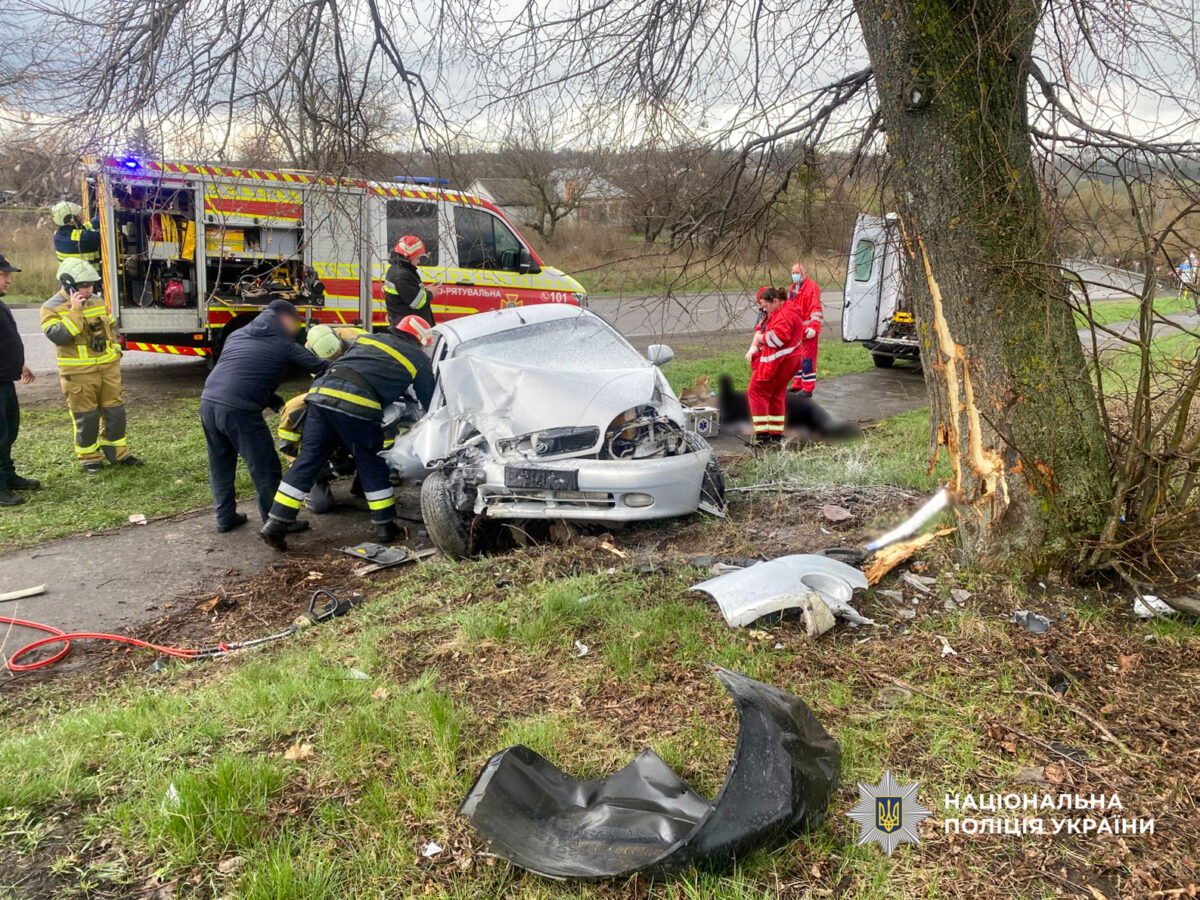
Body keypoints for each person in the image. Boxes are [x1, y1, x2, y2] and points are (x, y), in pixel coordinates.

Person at [261, 315, 437, 551]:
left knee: (307, 460)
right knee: (370, 462)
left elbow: (359, 366)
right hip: (357, 405)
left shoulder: (370, 338)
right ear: (421, 340)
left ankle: (275, 523)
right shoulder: (418, 358)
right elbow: (430, 398)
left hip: (321, 396)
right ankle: (385, 525)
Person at [199, 300, 329, 532]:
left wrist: (271, 399)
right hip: (240, 411)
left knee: (220, 464)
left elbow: (242, 371)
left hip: (208, 402)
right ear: (284, 317)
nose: (297, 328)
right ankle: (276, 522)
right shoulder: (283, 343)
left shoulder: (237, 335)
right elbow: (321, 367)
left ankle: (225, 517)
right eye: (296, 322)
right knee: (266, 468)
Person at [41, 259, 141, 473]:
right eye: (83, 286)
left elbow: (111, 328)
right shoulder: (51, 308)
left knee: (115, 412)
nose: (88, 290)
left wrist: (115, 352)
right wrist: (75, 310)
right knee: (86, 416)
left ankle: (118, 453)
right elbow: (59, 336)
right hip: (78, 374)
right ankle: (89, 458)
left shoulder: (97, 301)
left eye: (91, 285)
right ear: (67, 284)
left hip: (108, 369)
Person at [0, 254, 39, 507]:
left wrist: (19, 365)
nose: (9, 280)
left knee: (8, 431)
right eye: (4, 275)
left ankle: (7, 475)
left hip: (5, 379)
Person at [747, 289, 799, 442]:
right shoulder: (786, 311)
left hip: (780, 361)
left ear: (775, 301)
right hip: (790, 360)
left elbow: (777, 339)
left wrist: (760, 339)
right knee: (776, 394)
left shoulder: (784, 315)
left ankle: (762, 434)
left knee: (756, 391)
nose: (763, 310)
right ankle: (776, 433)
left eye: (765, 306)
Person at [383, 235, 438, 328]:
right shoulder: (402, 275)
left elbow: (408, 294)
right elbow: (417, 302)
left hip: (409, 325)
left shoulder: (400, 270)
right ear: (408, 257)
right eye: (417, 258)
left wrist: (425, 290)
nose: (419, 261)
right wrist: (431, 293)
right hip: (410, 328)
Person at [786, 262, 822, 395]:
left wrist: (813, 327)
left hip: (808, 331)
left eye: (797, 273)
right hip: (797, 332)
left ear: (805, 273)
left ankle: (807, 388)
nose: (795, 275)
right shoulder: (794, 287)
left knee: (808, 360)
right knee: (797, 359)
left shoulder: (811, 287)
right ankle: (797, 384)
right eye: (793, 272)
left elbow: (815, 309)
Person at [51, 201, 102, 265]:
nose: (81, 218)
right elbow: (106, 234)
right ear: (72, 221)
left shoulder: (57, 234)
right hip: (89, 271)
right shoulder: (82, 238)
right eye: (78, 216)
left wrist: (98, 213)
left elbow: (87, 226)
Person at [744, 286, 774, 374]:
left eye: (763, 305)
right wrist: (753, 346)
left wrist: (758, 340)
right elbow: (759, 328)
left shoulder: (777, 313)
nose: (763, 308)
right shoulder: (764, 312)